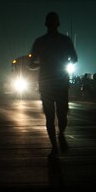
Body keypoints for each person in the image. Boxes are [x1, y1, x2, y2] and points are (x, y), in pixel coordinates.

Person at [29, 11, 78, 159]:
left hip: (47, 82)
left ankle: (55, 146)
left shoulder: (39, 41)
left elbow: (32, 64)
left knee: (50, 117)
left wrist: (41, 65)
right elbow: (74, 59)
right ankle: (60, 136)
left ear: (46, 24)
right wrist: (63, 62)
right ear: (58, 23)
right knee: (61, 115)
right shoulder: (65, 40)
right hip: (60, 82)